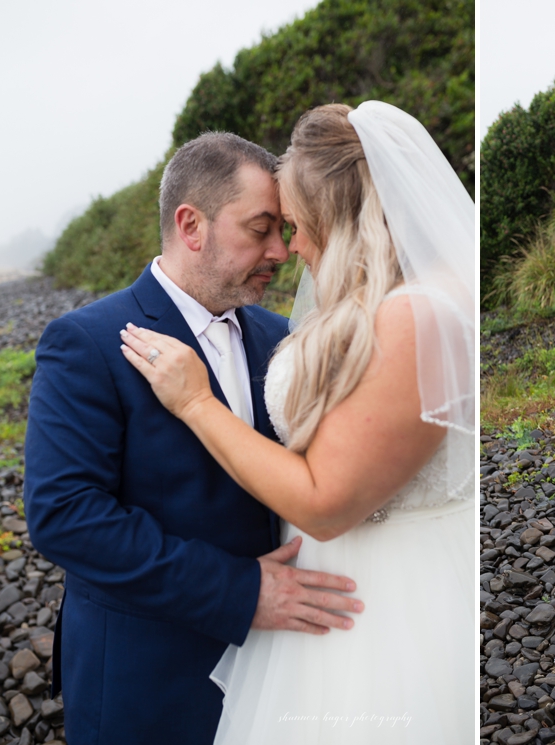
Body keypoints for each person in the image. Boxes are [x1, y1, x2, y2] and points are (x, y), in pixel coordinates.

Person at [119, 101, 474, 743]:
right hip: (335, 592)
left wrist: (198, 403)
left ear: (339, 216)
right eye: (272, 227)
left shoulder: (415, 315)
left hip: (388, 599)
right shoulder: (384, 308)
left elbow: (324, 500)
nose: (291, 247)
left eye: (297, 224)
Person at [24, 132, 363, 744]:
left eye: (283, 230)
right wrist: (240, 591)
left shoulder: (280, 335)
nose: (281, 252)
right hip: (147, 678)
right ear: (191, 225)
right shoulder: (88, 342)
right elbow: (65, 516)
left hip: (278, 671)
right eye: (259, 229)